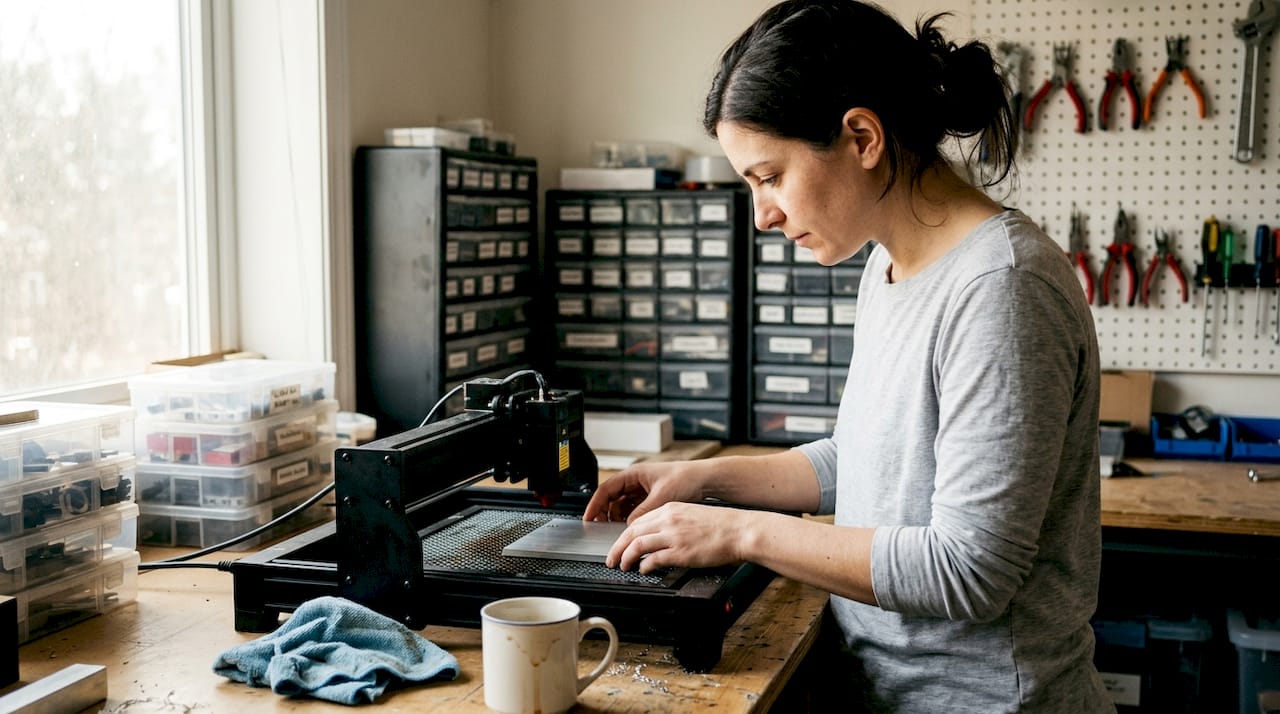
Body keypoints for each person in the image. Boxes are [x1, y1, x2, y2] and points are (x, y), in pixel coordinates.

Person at [582, 1, 1113, 711]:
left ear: (862, 136)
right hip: (883, 688)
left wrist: (739, 531)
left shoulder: (1002, 288)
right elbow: (865, 459)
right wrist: (698, 483)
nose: (762, 215)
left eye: (769, 176)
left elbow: (968, 570)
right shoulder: (889, 265)